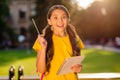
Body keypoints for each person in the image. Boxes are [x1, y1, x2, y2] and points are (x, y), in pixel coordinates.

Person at [33, 5, 84, 80]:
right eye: (55, 17)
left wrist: (78, 68)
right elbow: (41, 70)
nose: (60, 21)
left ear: (68, 19)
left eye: (63, 17)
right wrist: (44, 48)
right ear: (49, 21)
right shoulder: (42, 40)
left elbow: (77, 64)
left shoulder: (75, 38)